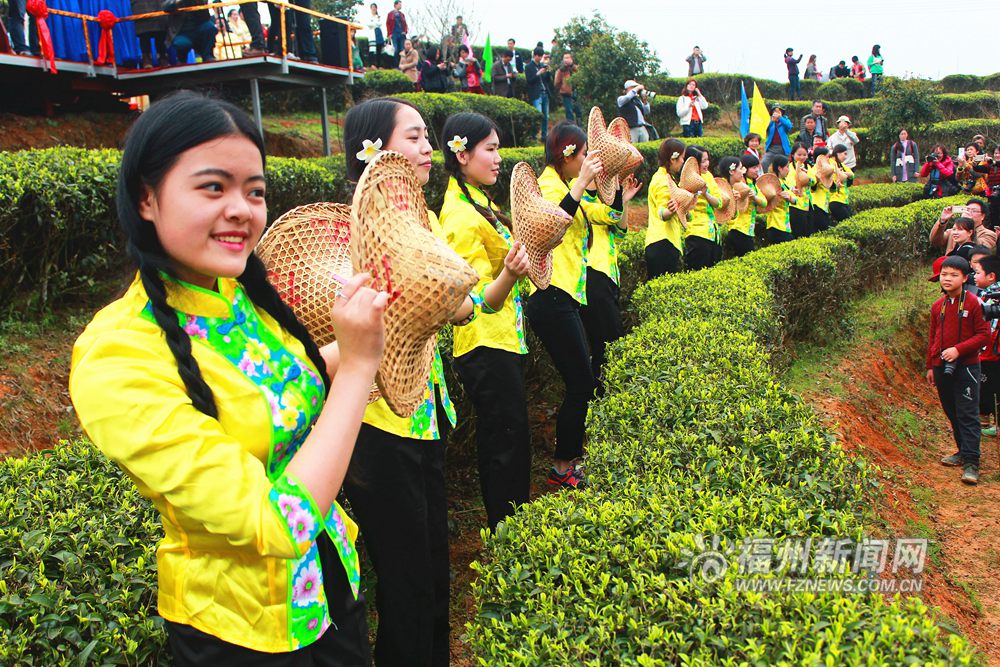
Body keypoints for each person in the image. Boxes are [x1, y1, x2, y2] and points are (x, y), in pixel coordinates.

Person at [70, 91, 380, 664]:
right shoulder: (116, 357)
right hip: (239, 634)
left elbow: (291, 381)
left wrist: (370, 337)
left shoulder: (239, 296)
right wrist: (359, 367)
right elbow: (278, 521)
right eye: (213, 187)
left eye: (254, 191)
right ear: (146, 197)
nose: (242, 208)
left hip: (329, 584)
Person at [341, 100, 520, 667]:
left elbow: (466, 307)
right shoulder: (356, 232)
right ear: (377, 149)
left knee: (432, 575)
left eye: (427, 137)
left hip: (421, 412)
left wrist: (507, 272)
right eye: (414, 138)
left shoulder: (415, 223)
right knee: (407, 585)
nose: (428, 149)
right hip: (379, 424)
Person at [438, 112, 534, 530]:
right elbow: (472, 298)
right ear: (462, 155)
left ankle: (513, 528)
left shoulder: (479, 202)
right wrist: (511, 273)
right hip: (483, 343)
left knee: (512, 441)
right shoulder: (459, 216)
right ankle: (506, 535)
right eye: (490, 149)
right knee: (505, 447)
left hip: (500, 340)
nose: (499, 159)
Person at [530, 122, 635, 487]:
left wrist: (616, 186)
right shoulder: (548, 184)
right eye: (586, 153)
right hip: (550, 293)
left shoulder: (566, 185)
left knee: (583, 380)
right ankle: (562, 467)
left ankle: (569, 460)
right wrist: (580, 184)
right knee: (581, 383)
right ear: (569, 153)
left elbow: (605, 216)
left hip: (567, 294)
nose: (591, 160)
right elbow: (549, 225)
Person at [926, 254, 988, 485]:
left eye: (954, 275)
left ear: (964, 278)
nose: (947, 279)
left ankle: (972, 462)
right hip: (942, 368)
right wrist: (931, 365)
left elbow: (983, 335)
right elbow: (933, 338)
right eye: (944, 274)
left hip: (968, 367)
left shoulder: (973, 303)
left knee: (967, 414)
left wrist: (958, 350)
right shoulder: (937, 306)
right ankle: (962, 451)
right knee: (952, 411)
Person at [645, 138, 687, 278]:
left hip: (663, 243)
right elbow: (662, 212)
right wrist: (670, 211)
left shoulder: (666, 177)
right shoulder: (662, 180)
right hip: (663, 244)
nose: (683, 161)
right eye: (682, 157)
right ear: (673, 159)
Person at [683, 145, 724, 270]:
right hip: (697, 233)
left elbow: (719, 203)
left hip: (713, 233)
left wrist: (706, 194)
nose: (707, 163)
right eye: (703, 161)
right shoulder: (685, 179)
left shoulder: (708, 176)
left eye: (708, 159)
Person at [973, 255, 1000, 437]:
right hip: (989, 351)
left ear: (991, 276)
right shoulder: (986, 293)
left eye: (977, 272)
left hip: (991, 352)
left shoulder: (993, 296)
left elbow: (989, 327)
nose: (973, 276)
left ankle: (988, 424)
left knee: (989, 387)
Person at [718, 156, 754, 257]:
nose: (743, 172)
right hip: (737, 230)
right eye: (740, 168)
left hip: (743, 229)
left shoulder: (740, 186)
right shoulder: (720, 188)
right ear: (732, 171)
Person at [764, 155, 797, 244]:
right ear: (779, 168)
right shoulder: (772, 183)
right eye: (787, 167)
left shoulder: (784, 182)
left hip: (785, 223)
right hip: (775, 224)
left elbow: (795, 200)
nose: (788, 170)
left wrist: (789, 198)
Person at [787, 143, 815, 238]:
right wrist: (793, 187)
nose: (802, 157)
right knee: (798, 232)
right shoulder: (790, 167)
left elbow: (814, 181)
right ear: (793, 155)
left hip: (808, 202)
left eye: (804, 155)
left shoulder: (808, 167)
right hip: (796, 204)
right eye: (799, 155)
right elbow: (789, 182)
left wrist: (807, 178)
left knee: (809, 231)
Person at [524, 48, 552, 142]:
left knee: (546, 116)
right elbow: (529, 80)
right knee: (537, 115)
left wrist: (548, 72)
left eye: (541, 56)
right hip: (536, 94)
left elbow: (547, 81)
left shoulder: (542, 65)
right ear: (534, 55)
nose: (540, 58)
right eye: (538, 56)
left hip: (545, 93)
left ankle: (544, 135)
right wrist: (538, 74)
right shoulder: (529, 67)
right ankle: (534, 135)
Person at [972, 145, 1000, 229]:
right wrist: (975, 163)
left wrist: (993, 162)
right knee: (994, 215)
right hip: (994, 194)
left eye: (999, 153)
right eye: (995, 153)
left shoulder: (994, 163)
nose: (997, 155)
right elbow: (979, 169)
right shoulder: (991, 165)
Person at [617, 79, 653, 144]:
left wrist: (645, 102)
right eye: (633, 87)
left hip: (642, 127)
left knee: (645, 146)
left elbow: (646, 112)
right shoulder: (621, 99)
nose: (636, 89)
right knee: (633, 147)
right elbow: (628, 97)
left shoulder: (637, 100)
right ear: (627, 89)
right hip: (631, 129)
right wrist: (638, 87)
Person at [809, 146, 833, 233]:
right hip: (817, 205)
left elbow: (833, 188)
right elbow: (812, 187)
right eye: (827, 157)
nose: (828, 159)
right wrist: (817, 179)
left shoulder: (827, 170)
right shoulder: (813, 170)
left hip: (824, 205)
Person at [762, 104, 792, 172]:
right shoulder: (770, 121)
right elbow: (765, 128)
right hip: (772, 148)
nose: (776, 113)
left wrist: (780, 118)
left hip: (783, 148)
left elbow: (789, 126)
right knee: (764, 163)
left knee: (785, 166)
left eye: (778, 111)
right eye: (775, 111)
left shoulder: (785, 120)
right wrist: (772, 121)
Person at [828, 143, 854, 223]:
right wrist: (846, 175)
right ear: (837, 153)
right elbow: (842, 176)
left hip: (843, 200)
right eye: (844, 154)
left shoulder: (841, 165)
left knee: (851, 221)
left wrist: (846, 174)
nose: (845, 157)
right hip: (835, 200)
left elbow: (852, 175)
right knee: (847, 223)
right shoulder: (831, 163)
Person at [554, 53, 580, 124]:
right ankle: (571, 130)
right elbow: (556, 83)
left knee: (579, 112)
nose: (566, 60)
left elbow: (580, 72)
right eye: (565, 58)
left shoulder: (574, 67)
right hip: (566, 94)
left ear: (571, 59)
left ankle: (581, 128)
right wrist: (563, 88)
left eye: (568, 58)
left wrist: (572, 65)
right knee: (569, 113)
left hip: (577, 92)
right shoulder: (561, 70)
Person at [386, 0, 407, 67]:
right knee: (395, 49)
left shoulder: (402, 14)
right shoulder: (390, 14)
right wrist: (389, 34)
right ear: (396, 5)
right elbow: (388, 24)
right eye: (399, 4)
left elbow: (405, 24)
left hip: (401, 34)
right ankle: (395, 65)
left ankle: (402, 64)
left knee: (402, 49)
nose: (400, 6)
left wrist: (405, 32)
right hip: (394, 33)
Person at [364, 3, 384, 67]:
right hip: (372, 35)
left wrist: (375, 24)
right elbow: (369, 24)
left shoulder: (379, 16)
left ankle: (378, 65)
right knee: (372, 50)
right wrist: (375, 24)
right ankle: (371, 64)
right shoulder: (369, 16)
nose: (373, 9)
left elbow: (380, 24)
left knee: (379, 50)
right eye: (372, 7)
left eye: (374, 7)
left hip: (378, 34)